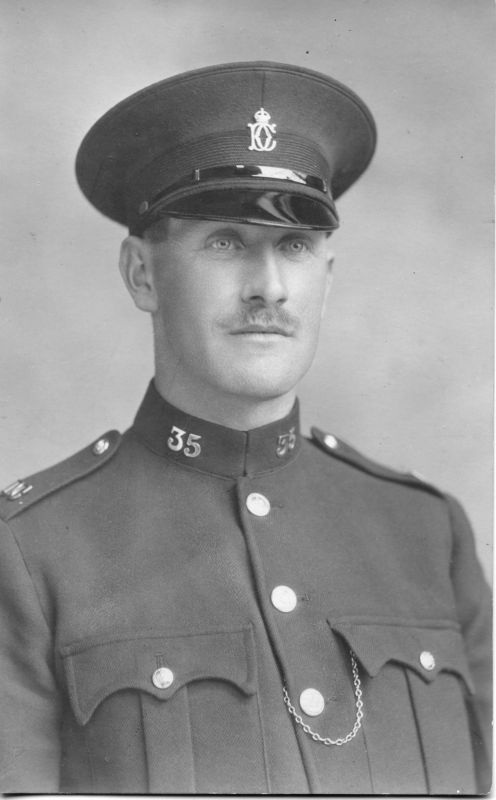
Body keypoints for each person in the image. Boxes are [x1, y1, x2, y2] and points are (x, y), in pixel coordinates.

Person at [0, 61, 491, 795]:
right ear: (141, 275)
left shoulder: (427, 534)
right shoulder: (29, 553)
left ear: (328, 273)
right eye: (227, 242)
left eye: (294, 246)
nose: (269, 286)